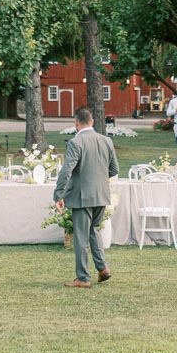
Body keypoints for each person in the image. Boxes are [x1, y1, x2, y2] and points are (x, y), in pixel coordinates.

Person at [54, 106, 119, 288]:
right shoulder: (106, 141)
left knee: (81, 236)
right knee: (94, 230)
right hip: (101, 194)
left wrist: (58, 194)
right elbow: (114, 169)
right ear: (93, 121)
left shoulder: (76, 143)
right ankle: (103, 268)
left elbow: (67, 170)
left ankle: (83, 277)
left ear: (76, 123)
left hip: (83, 196)